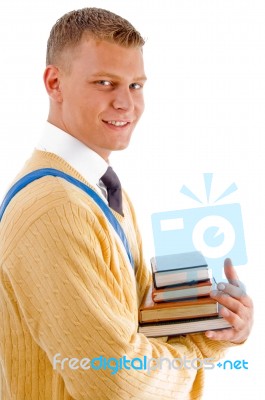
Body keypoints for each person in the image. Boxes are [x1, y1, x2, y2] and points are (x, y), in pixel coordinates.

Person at [0, 7, 253, 400]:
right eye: (105, 82)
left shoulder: (99, 189)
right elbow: (117, 382)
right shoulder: (56, 208)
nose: (126, 104)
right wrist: (200, 350)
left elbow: (130, 330)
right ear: (55, 83)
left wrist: (215, 323)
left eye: (136, 85)